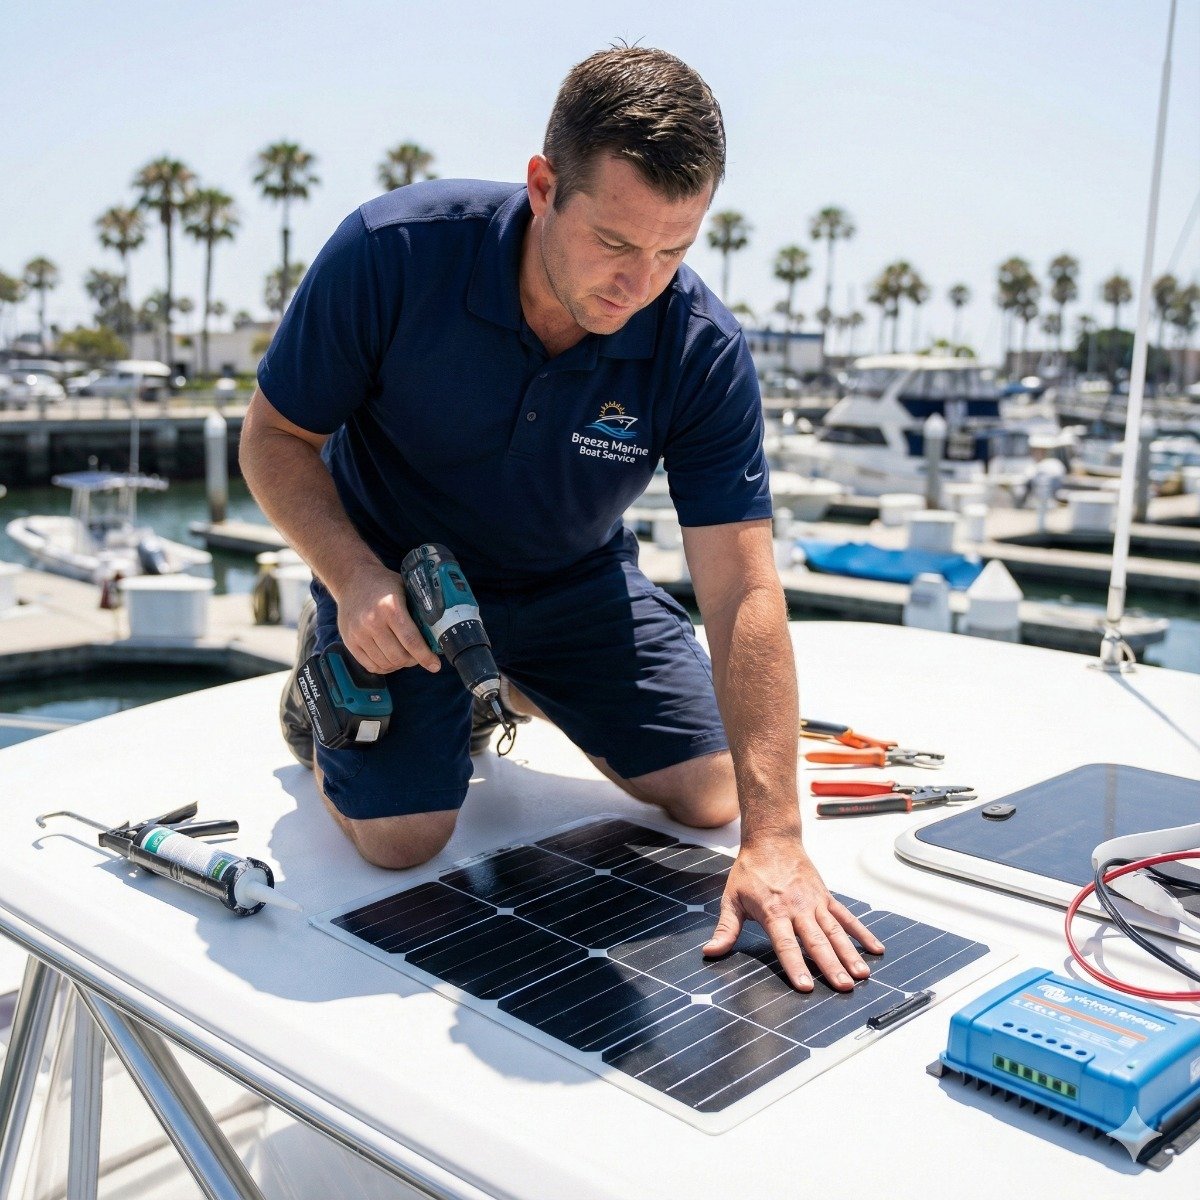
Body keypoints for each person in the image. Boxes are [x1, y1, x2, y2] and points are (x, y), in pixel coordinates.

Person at [240, 45, 884, 992]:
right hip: (402, 585)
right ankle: (321, 684)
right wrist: (353, 578)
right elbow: (274, 438)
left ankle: (511, 685)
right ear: (544, 186)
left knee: (713, 794)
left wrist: (777, 839)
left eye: (675, 249)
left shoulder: (700, 348)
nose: (641, 284)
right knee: (399, 844)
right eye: (617, 244)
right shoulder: (392, 252)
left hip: (575, 583)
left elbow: (743, 583)